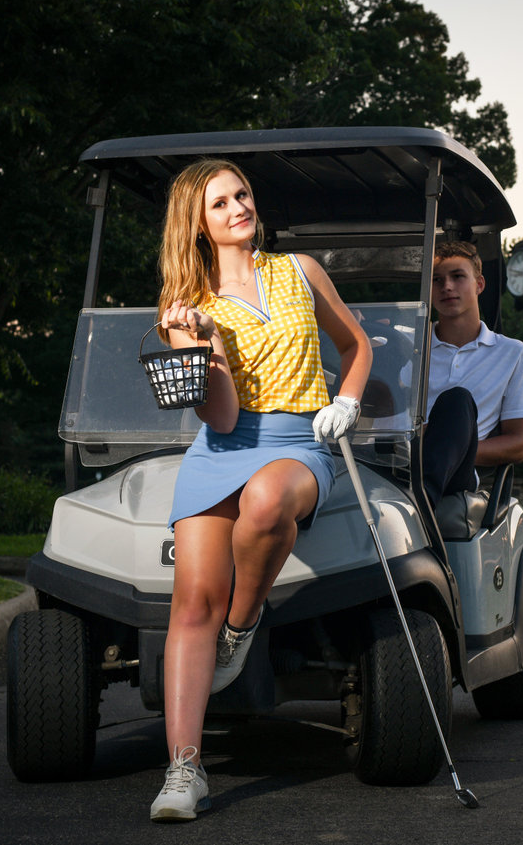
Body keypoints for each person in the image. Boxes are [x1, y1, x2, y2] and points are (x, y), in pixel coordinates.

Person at [149, 159, 372, 822]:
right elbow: (217, 418)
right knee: (191, 603)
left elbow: (355, 343)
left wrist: (350, 401)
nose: (238, 208)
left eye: (240, 194)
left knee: (269, 501)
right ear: (198, 224)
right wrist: (207, 341)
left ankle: (241, 625)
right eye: (220, 204)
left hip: (301, 441)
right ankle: (184, 769)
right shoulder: (184, 311)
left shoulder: (299, 270)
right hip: (222, 449)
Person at [423, 240, 523, 507]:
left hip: (458, 477)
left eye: (457, 276)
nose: (447, 286)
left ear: (479, 284)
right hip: (399, 464)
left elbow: (519, 444)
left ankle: (420, 506)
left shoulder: (513, 353)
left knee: (456, 401)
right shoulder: (411, 347)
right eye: (437, 279)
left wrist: (448, 449)